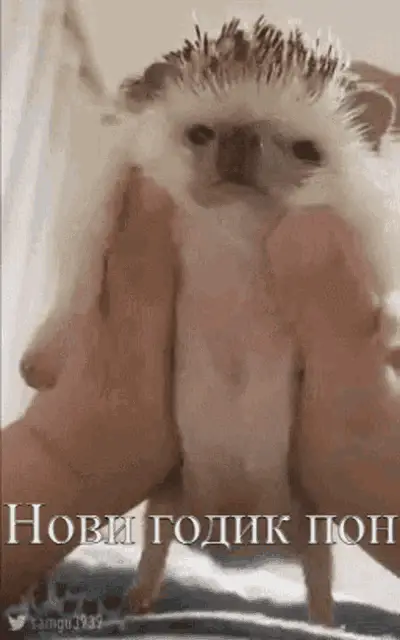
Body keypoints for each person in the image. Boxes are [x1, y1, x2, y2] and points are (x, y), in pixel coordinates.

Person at [2, 64, 400, 613]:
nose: (238, 163)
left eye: (302, 151)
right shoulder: (145, 201)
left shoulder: (343, 226)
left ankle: (321, 601)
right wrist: (60, 459)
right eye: (202, 136)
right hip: (172, 454)